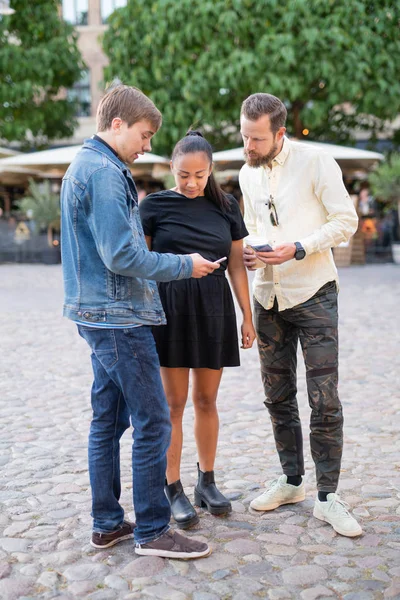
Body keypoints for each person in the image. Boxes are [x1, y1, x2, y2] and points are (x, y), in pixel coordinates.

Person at [60, 85, 223, 559]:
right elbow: (122, 254)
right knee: (154, 420)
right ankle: (153, 529)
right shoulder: (106, 173)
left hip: (96, 313)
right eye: (145, 134)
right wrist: (183, 265)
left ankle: (107, 523)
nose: (148, 145)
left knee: (107, 422)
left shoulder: (83, 166)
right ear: (117, 125)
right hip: (119, 318)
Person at [239, 93, 362, 537]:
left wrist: (300, 247)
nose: (248, 146)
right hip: (266, 296)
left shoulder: (316, 162)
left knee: (324, 399)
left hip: (313, 293)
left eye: (256, 139)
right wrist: (252, 253)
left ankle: (328, 497)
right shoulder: (246, 174)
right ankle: (291, 481)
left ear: (280, 134)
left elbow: (345, 221)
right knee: (276, 397)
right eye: (244, 136)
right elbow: (252, 226)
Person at [139, 131, 256, 529]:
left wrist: (247, 315)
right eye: (184, 174)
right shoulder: (153, 206)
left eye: (200, 175)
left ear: (211, 171)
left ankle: (206, 482)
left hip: (213, 307)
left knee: (207, 400)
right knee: (172, 404)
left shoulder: (226, 207)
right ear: (171, 168)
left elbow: (237, 265)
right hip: (169, 309)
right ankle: (172, 487)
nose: (191, 183)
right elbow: (143, 263)